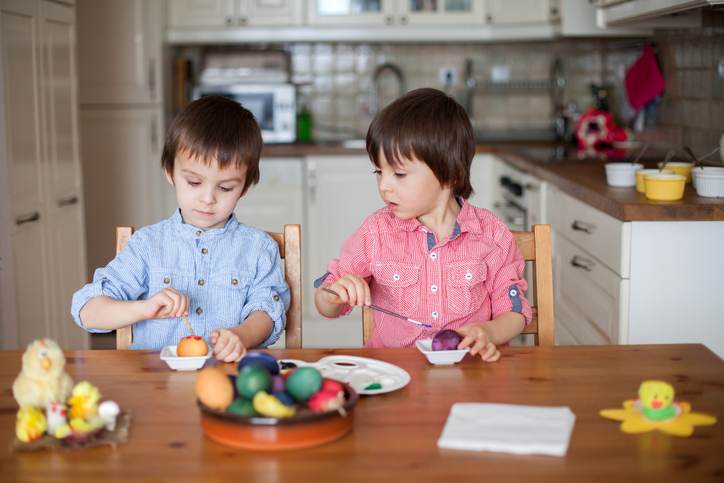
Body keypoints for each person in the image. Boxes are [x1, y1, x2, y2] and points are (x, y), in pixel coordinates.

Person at [313, 88, 531, 362]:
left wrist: (489, 331)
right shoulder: (376, 233)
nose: (384, 186)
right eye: (379, 172)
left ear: (449, 174)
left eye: (399, 174)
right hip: (395, 374)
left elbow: (514, 310)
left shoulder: (491, 234)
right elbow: (324, 298)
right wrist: (335, 294)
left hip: (474, 374)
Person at [71, 96, 290, 362]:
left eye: (225, 188)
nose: (208, 198)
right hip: (155, 386)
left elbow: (267, 311)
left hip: (230, 381)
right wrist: (144, 308)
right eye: (194, 182)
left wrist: (242, 335)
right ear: (170, 172)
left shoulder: (258, 248)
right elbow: (87, 310)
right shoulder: (147, 245)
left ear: (244, 188)